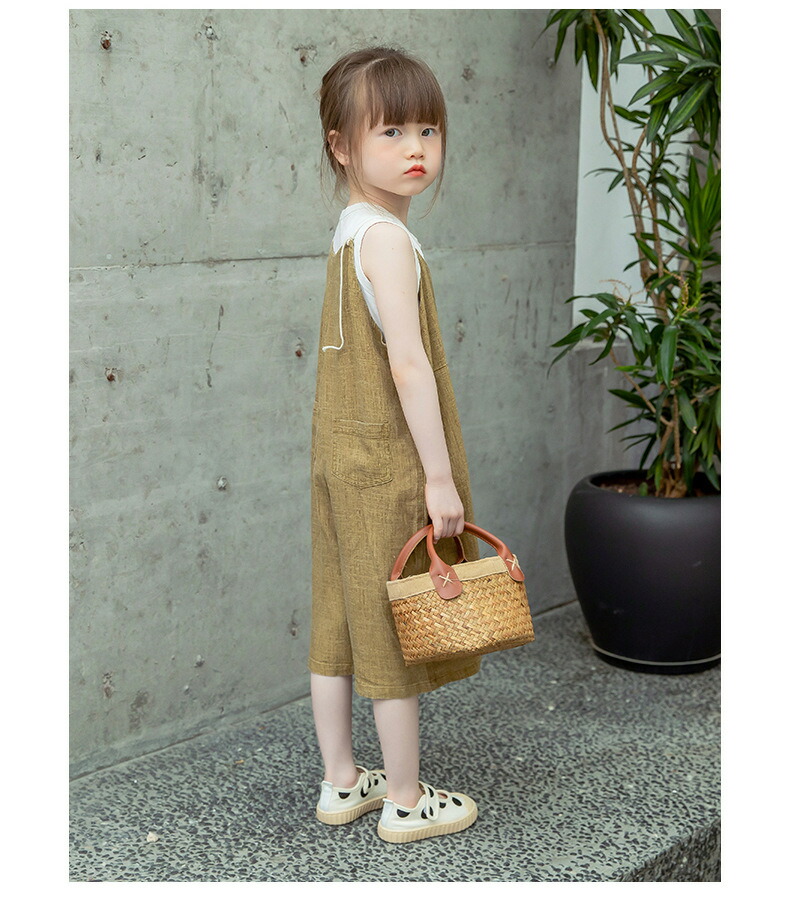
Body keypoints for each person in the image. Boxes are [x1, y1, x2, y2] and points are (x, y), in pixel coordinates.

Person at [309, 46, 480, 844]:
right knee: (393, 630)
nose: (416, 149)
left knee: (337, 619)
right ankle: (406, 800)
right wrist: (439, 479)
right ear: (341, 146)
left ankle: (343, 780)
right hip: (386, 466)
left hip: (339, 461)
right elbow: (408, 365)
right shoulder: (387, 241)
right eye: (391, 132)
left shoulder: (350, 231)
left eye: (428, 130)